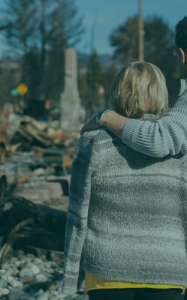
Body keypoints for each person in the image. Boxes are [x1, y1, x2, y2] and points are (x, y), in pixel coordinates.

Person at [62, 61, 187, 300]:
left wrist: (70, 276)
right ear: (162, 92)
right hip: (168, 270)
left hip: (106, 271)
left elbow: (77, 213)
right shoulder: (179, 148)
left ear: (117, 93)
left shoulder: (93, 141)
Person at [80, 16, 187, 158]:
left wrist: (105, 116)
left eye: (175, 53)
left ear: (182, 55)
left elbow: (159, 139)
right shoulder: (178, 160)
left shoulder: (93, 141)